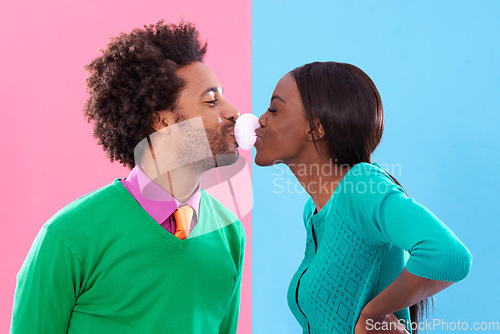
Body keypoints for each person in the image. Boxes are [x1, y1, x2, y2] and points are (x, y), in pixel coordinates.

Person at [11, 20, 246, 334]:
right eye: (211, 100)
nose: (233, 112)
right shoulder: (69, 237)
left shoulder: (230, 236)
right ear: (161, 119)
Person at [254, 61, 472, 334]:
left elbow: (450, 256)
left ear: (315, 128)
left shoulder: (361, 186)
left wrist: (374, 314)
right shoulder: (314, 212)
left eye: (274, 109)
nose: (261, 119)